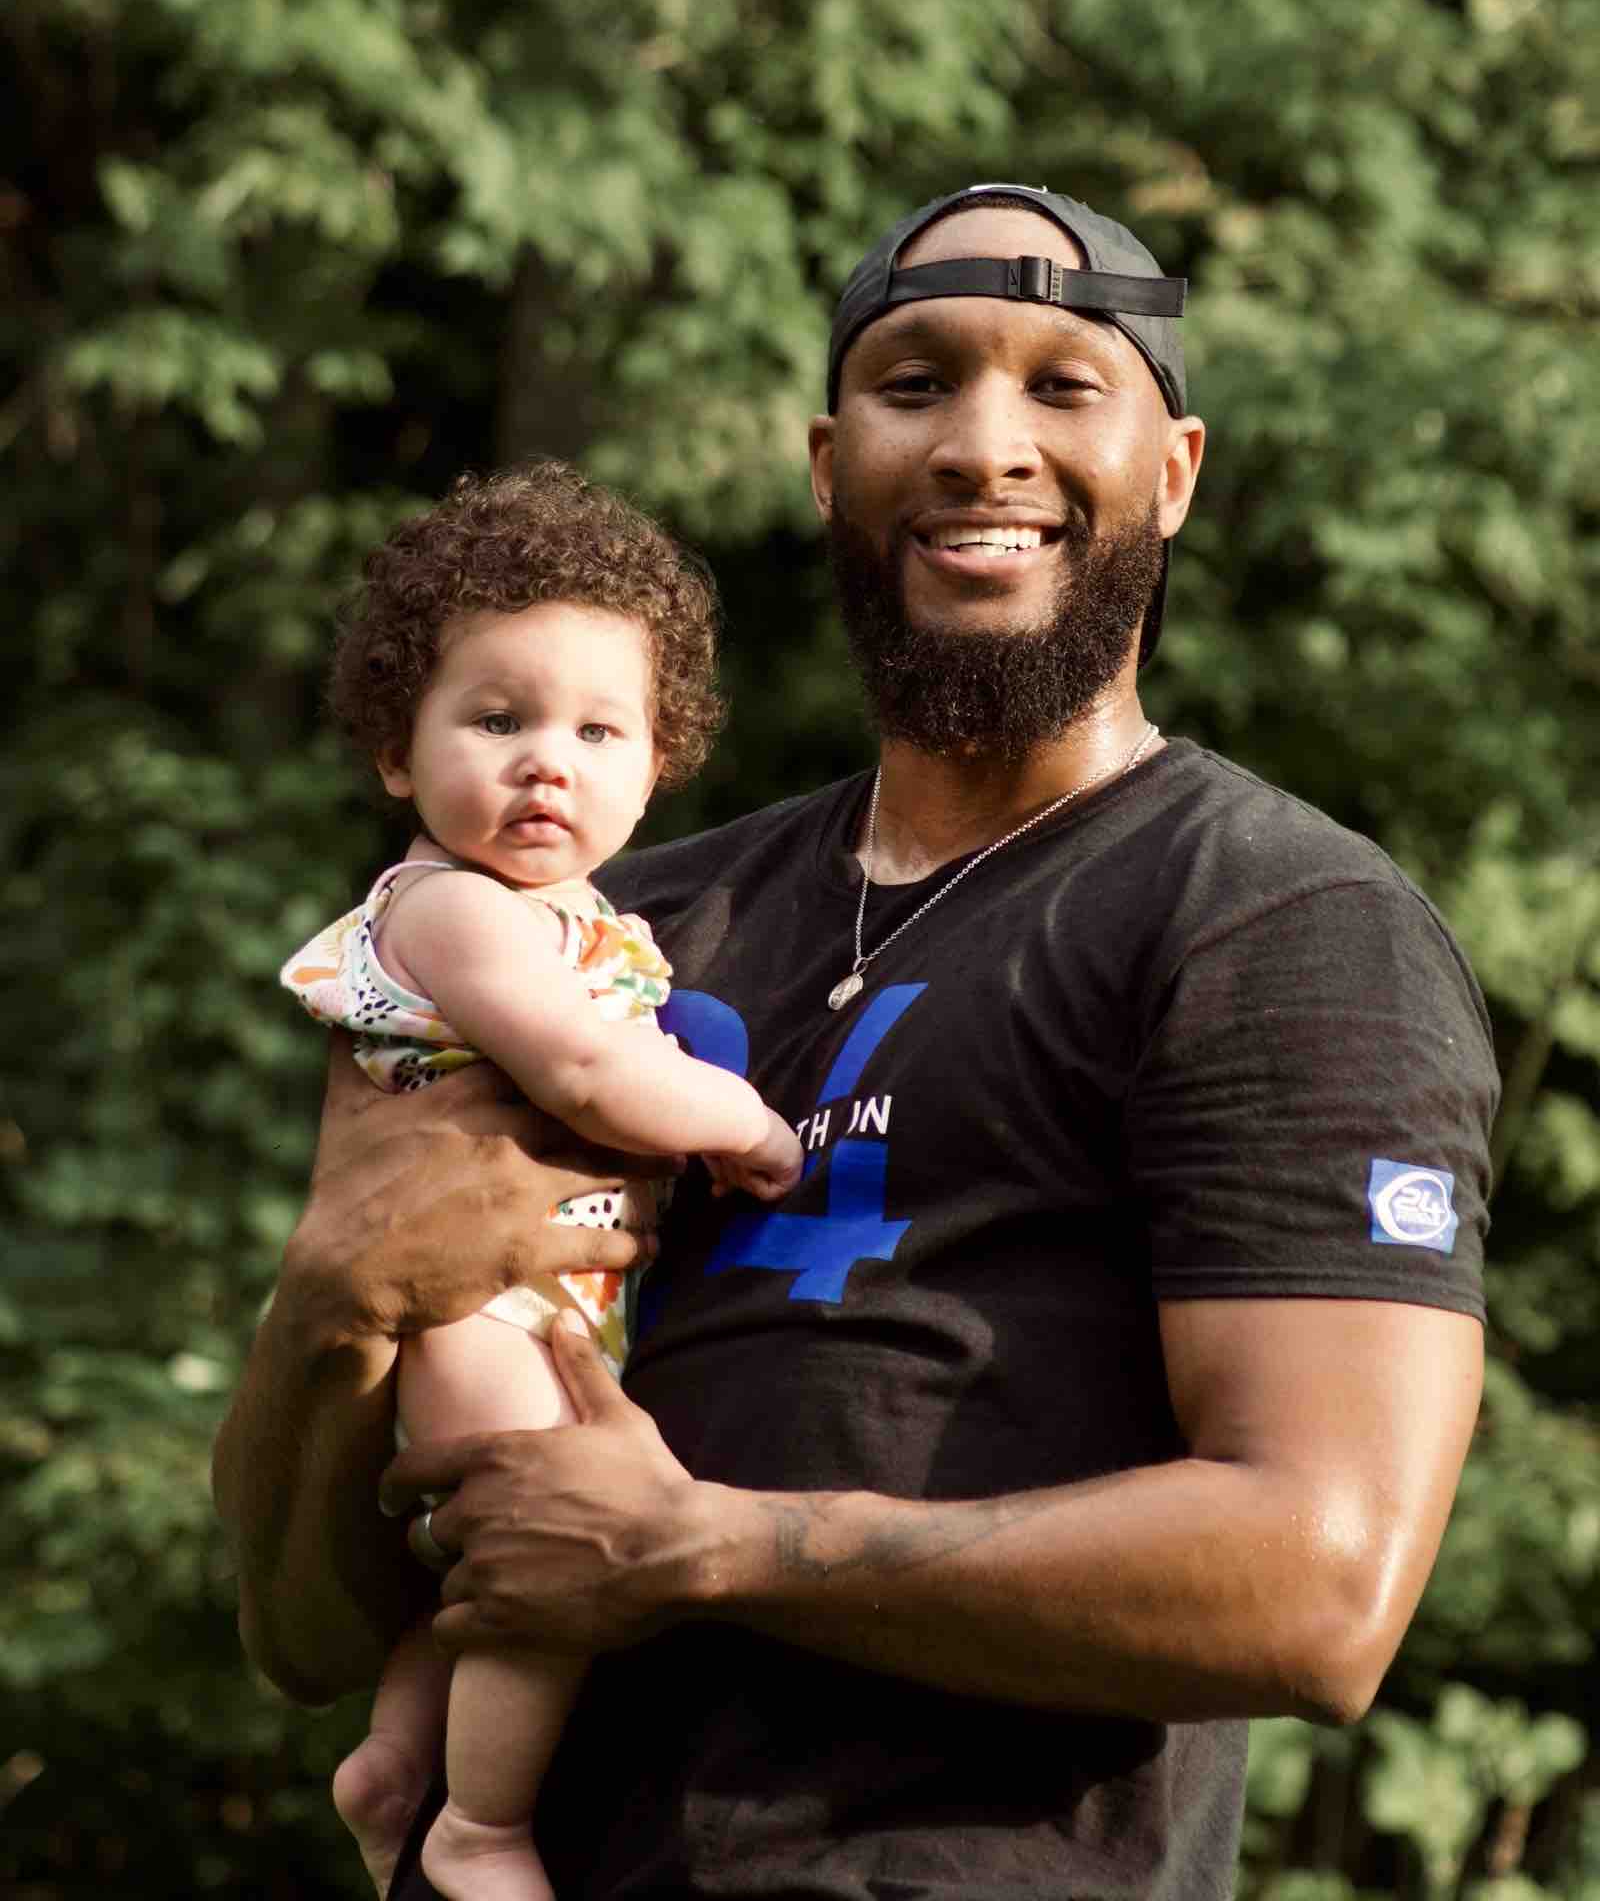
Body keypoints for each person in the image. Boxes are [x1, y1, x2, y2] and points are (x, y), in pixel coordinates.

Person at [214, 183, 1498, 1901]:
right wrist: (333, 1302)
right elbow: (304, 1626)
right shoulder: (602, 928)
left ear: (1174, 472)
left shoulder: (1272, 918)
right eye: (916, 385)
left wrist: (712, 1555)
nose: (984, 446)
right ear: (829, 467)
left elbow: (1324, 1589)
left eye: (1062, 385)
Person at [274, 460, 802, 1900]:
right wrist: (743, 1126)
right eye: (496, 721)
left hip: (537, 1294)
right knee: (542, 1534)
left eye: (595, 729)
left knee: (474, 1557)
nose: (545, 762)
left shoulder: (582, 918)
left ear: (659, 759)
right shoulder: (451, 912)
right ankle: (483, 1825)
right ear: (400, 752)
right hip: (469, 1303)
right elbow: (582, 1074)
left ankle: (392, 1769)